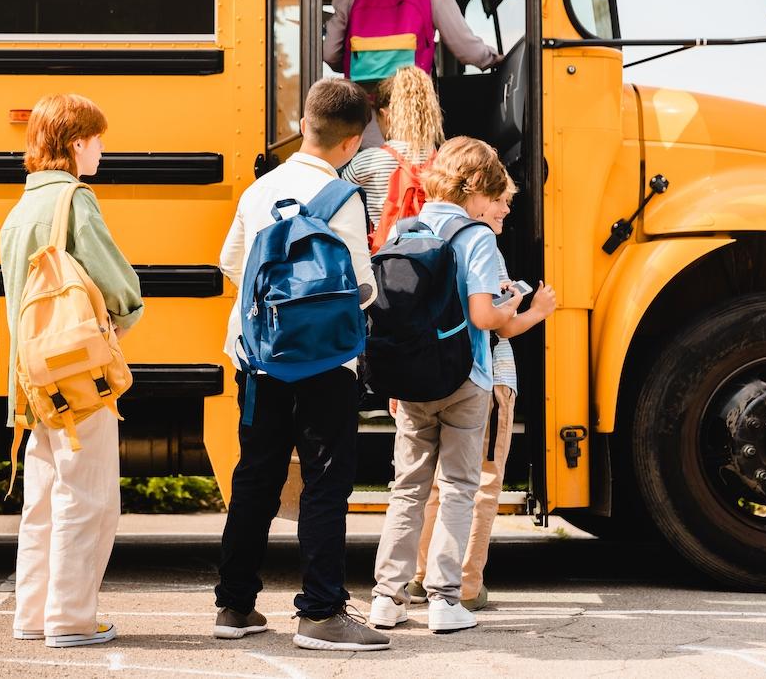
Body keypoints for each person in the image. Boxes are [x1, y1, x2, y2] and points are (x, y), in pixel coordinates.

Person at [214, 78, 389, 652]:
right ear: (351, 143)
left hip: (259, 358)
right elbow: (362, 287)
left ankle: (234, 605)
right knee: (323, 483)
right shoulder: (342, 197)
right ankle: (319, 613)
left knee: (255, 479)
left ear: (305, 125)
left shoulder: (259, 190)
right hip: (325, 365)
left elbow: (230, 262)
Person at [0, 93, 144, 648]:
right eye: (97, 139)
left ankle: (33, 613)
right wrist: (127, 319)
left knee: (43, 497)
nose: (102, 149)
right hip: (76, 375)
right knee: (88, 497)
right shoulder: (75, 201)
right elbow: (117, 283)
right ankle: (71, 618)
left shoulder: (19, 211)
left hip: (32, 378)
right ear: (76, 142)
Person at [369, 136, 520, 633]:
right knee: (458, 487)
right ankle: (443, 599)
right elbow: (483, 316)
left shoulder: (405, 227)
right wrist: (519, 306)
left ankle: (387, 599)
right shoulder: (476, 237)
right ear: (475, 188)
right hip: (465, 379)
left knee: (407, 489)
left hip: (411, 380)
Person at [408, 175, 557, 611]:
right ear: (474, 197)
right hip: (487, 377)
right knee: (481, 483)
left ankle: (422, 576)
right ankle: (466, 584)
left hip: (430, 375)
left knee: (434, 485)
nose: (506, 211)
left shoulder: (421, 235)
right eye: (499, 201)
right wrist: (536, 310)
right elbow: (499, 324)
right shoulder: (482, 247)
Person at [324, 0, 501, 147]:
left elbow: (330, 53)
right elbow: (467, 51)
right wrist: (496, 60)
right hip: (413, 124)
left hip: (363, 126)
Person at [339, 64, 444, 228]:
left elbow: (337, 198)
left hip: (381, 251)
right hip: (431, 250)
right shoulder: (442, 161)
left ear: (385, 116)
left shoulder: (368, 161)